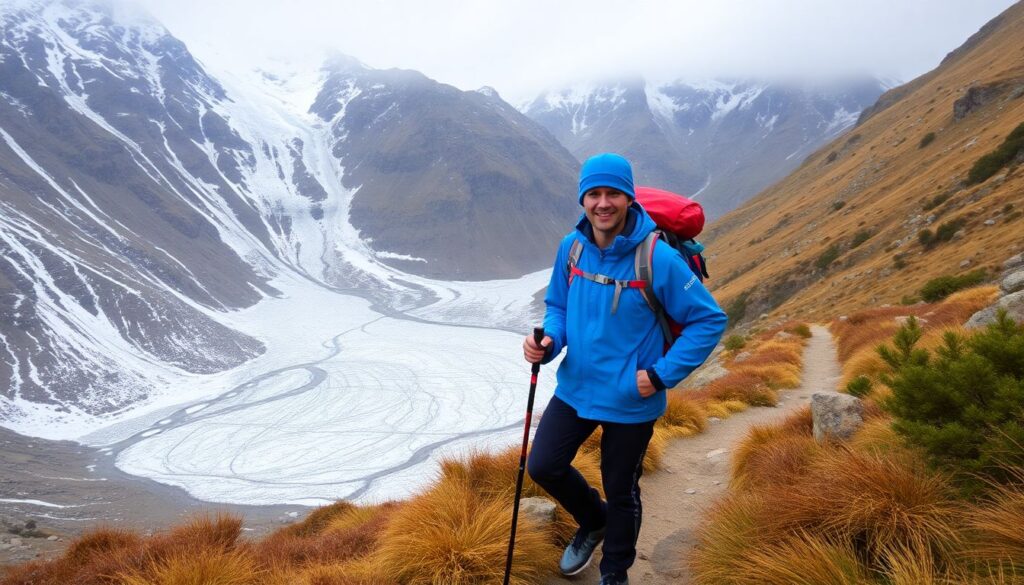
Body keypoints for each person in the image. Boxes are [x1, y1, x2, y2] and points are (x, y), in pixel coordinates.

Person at [522, 153, 727, 585]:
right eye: (593, 194)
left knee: (622, 492)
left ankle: (615, 572)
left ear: (628, 198)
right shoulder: (571, 247)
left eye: (612, 193)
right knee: (543, 466)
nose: (602, 203)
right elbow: (558, 305)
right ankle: (593, 521)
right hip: (577, 386)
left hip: (633, 397)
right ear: (583, 199)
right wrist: (549, 341)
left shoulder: (656, 257)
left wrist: (659, 375)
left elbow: (709, 320)